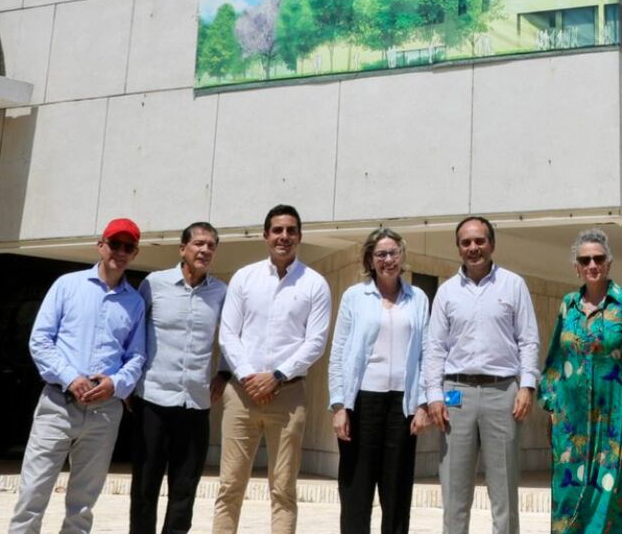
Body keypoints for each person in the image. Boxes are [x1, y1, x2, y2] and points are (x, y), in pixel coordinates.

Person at [11, 218, 148, 534]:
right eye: (115, 244)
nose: (121, 252)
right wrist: (71, 377)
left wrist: (115, 384)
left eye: (128, 247)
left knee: (83, 505)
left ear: (135, 252)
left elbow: (136, 356)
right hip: (58, 405)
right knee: (32, 494)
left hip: (104, 412)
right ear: (101, 245)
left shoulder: (135, 302)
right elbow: (41, 340)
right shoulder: (66, 285)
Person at [419, 215, 541, 534]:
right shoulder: (446, 292)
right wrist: (433, 396)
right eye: (466, 242)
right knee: (455, 492)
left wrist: (527, 386)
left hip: (503, 395)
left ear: (492, 244)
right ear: (459, 248)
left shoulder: (513, 285)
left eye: (479, 241)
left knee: (504, 492)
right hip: (455, 395)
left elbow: (528, 339)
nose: (473, 248)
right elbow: (435, 349)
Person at [215, 204, 332, 534]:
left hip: (288, 394)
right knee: (229, 487)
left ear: (300, 236)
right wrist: (251, 376)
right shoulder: (244, 277)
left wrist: (277, 376)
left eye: (291, 230)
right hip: (241, 393)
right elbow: (228, 333)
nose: (284, 237)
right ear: (266, 235)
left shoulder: (315, 284)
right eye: (277, 230)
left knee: (283, 490)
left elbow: (316, 341)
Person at [328, 228, 430, 534]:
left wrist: (422, 404)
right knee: (356, 488)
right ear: (370, 260)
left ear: (402, 256)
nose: (388, 259)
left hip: (402, 405)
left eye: (394, 252)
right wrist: (338, 406)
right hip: (361, 402)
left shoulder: (418, 298)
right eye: (381, 254)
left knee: (397, 490)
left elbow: (427, 353)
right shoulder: (354, 297)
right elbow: (338, 354)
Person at [131, 222, 227, 534]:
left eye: (211, 245)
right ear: (182, 248)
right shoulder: (154, 284)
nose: (205, 250)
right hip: (154, 399)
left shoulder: (220, 292)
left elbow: (231, 337)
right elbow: (134, 334)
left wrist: (224, 373)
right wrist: (129, 383)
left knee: (185, 489)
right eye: (199, 243)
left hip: (196, 403)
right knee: (145, 486)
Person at [541, 228, 622, 534]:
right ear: (577, 267)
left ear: (609, 263)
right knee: (569, 490)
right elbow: (555, 358)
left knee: (609, 492)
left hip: (613, 417)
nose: (592, 265)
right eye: (586, 260)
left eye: (599, 258)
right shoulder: (567, 304)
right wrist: (550, 406)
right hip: (570, 418)